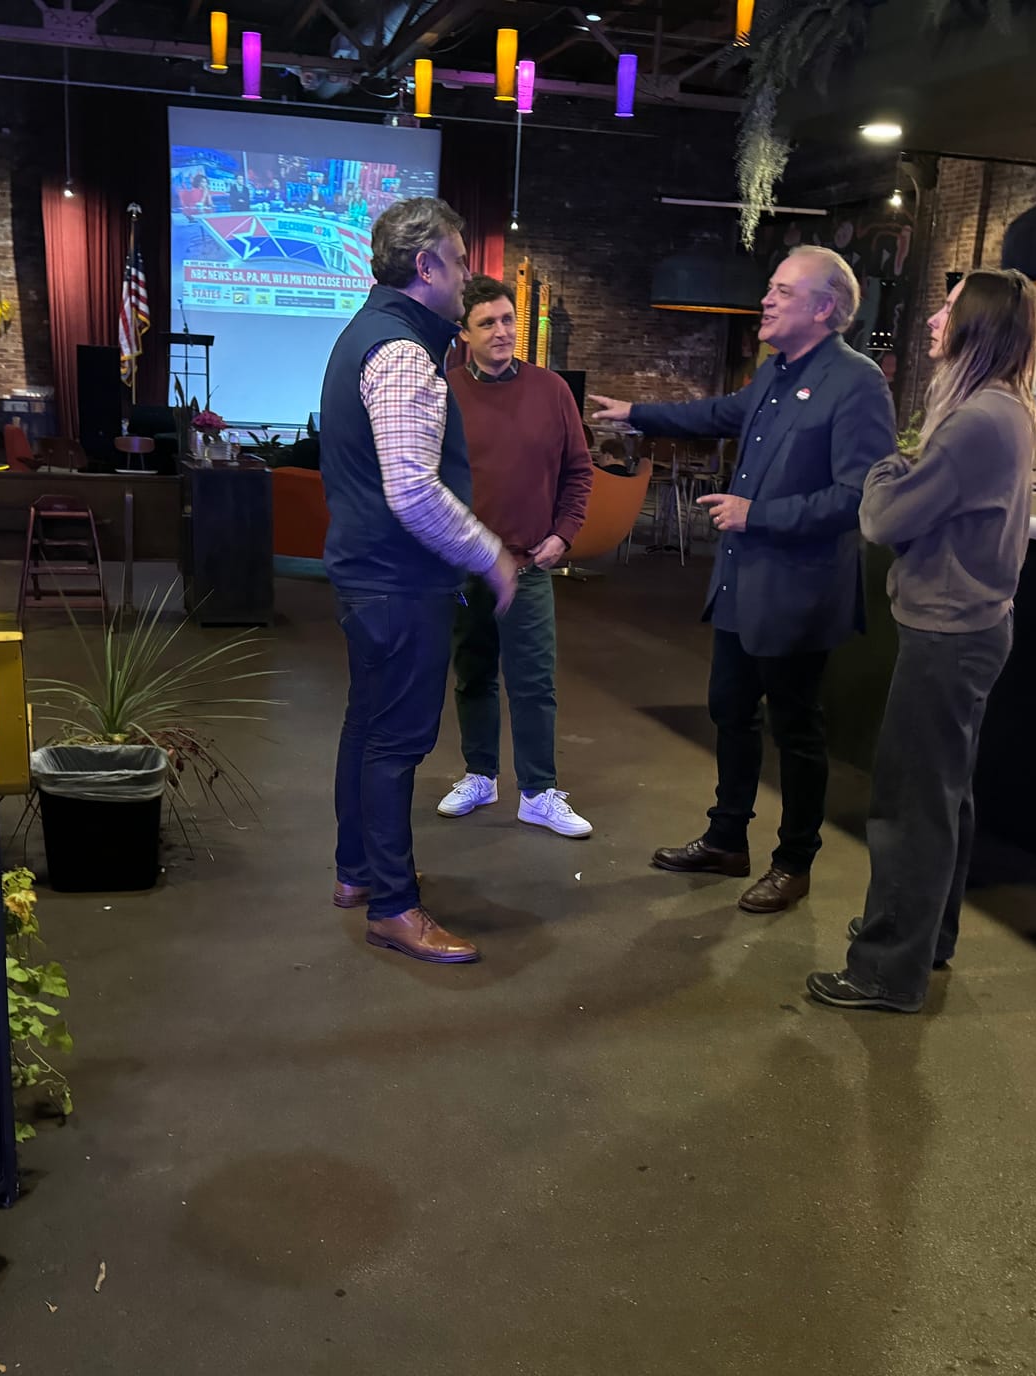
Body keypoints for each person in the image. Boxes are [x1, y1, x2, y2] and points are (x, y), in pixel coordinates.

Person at [590, 247, 897, 914]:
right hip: (742, 582)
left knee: (795, 728)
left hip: (799, 590)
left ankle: (795, 862)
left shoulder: (858, 382)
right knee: (730, 712)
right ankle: (727, 839)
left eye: (782, 291)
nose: (766, 300)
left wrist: (759, 515)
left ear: (822, 308)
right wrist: (638, 412)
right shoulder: (775, 373)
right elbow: (720, 413)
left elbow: (859, 497)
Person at [807, 268, 1036, 1014]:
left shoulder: (977, 419)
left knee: (911, 802)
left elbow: (883, 516)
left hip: (950, 633)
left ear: (976, 327)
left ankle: (886, 967)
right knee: (942, 797)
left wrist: (885, 464)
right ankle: (923, 936)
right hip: (970, 629)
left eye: (947, 309)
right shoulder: (1001, 409)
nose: (934, 320)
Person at [321, 198, 520, 965]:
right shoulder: (403, 351)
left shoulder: (364, 335)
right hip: (398, 584)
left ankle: (358, 874)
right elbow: (410, 489)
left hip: (367, 576)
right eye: (461, 260)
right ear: (427, 267)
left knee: (367, 727)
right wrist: (490, 553)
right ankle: (395, 908)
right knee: (397, 742)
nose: (468, 275)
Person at [438, 274, 596, 838]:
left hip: (529, 566)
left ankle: (538, 791)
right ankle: (480, 774)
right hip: (463, 566)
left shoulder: (552, 391)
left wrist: (564, 533)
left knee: (533, 681)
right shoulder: (445, 390)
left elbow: (579, 472)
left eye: (508, 320)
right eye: (488, 323)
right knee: (472, 674)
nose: (503, 331)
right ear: (464, 333)